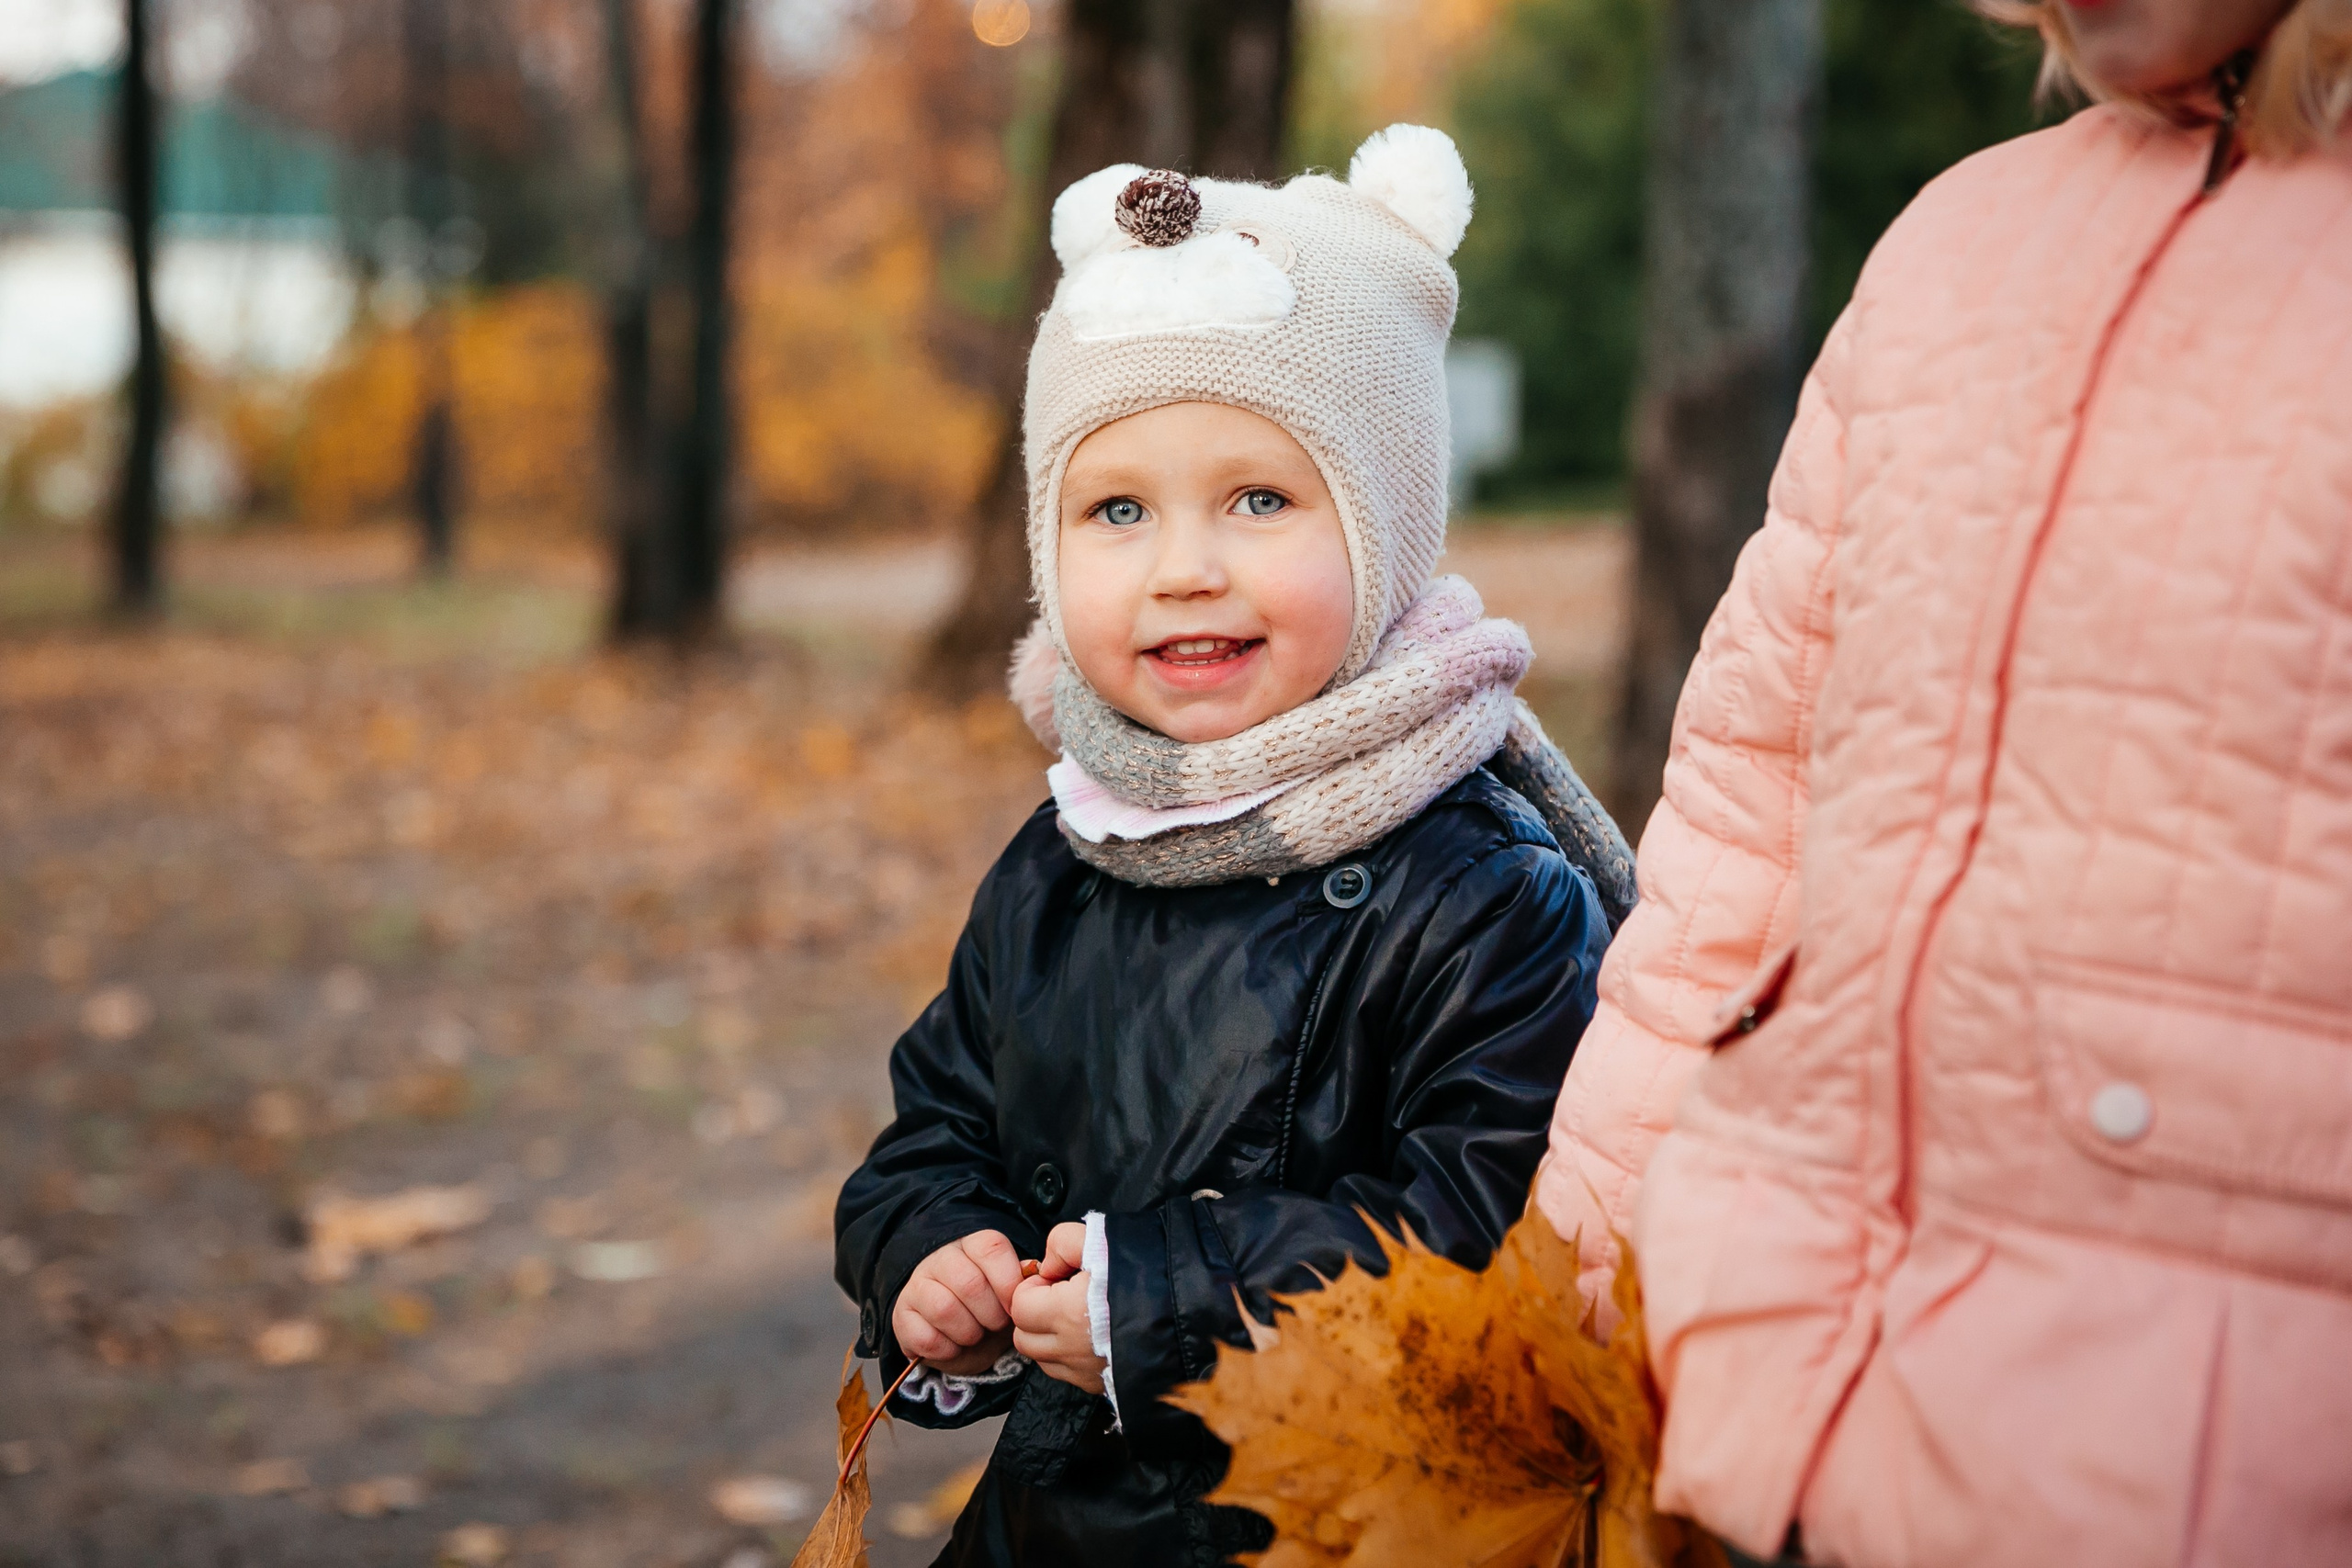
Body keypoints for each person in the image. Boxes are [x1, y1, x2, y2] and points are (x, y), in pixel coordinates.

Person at [1533, 2, 2352, 1565]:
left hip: (2195, 1476)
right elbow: (1749, 812)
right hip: (1770, 1406)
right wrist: (1585, 1256)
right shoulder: (1953, 247)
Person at [834, 126, 1633, 1567]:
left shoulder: (1486, 892)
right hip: (1059, 1525)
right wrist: (930, 1257)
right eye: (1117, 509)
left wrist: (1165, 1299)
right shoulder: (1070, 854)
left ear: (1385, 528)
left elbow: (1483, 1235)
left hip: (1354, 1528)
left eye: (1260, 499)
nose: (1183, 564)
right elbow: (939, 1120)